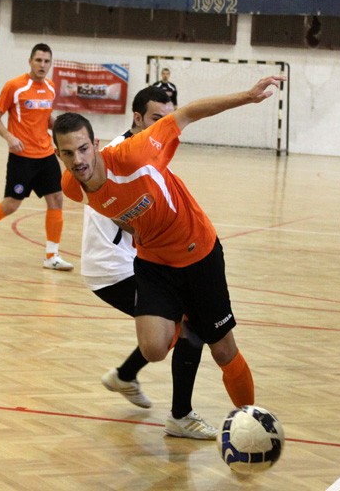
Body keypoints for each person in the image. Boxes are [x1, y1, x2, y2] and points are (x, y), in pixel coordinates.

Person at [52, 74, 285, 410]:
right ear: (58, 154)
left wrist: (248, 96)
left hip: (197, 251)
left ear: (96, 144)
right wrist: (134, 228)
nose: (78, 160)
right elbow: (111, 207)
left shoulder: (136, 153)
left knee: (223, 350)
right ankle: (156, 391)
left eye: (83, 149)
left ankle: (250, 419)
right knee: (153, 348)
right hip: (153, 262)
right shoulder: (73, 186)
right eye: (68, 153)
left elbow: (188, 113)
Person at [83, 87, 216, 439]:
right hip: (114, 268)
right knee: (189, 323)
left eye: (167, 119)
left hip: (131, 261)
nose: (164, 126)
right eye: (157, 119)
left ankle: (125, 376)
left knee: (176, 326)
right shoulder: (119, 156)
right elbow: (122, 216)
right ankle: (180, 415)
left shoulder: (144, 147)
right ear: (137, 118)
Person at [0, 43, 73, 271]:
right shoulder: (15, 86)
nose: (42, 65)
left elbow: (46, 119)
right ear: (30, 61)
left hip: (46, 155)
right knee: (11, 205)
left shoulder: (50, 87)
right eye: (38, 60)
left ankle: (52, 256)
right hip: (22, 157)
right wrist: (9, 137)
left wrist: (65, 130)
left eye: (46, 61)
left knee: (56, 199)